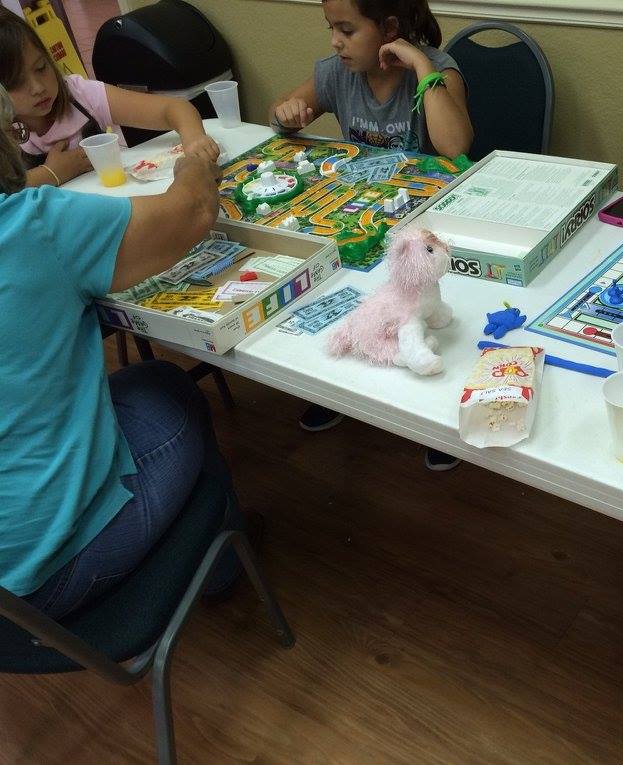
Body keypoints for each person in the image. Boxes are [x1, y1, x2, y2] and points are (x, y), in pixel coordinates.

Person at [0, 83, 241, 619]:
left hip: (8, 589)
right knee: (169, 386)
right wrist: (194, 170)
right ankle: (222, 566)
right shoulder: (29, 226)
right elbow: (195, 212)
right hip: (48, 572)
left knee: (130, 388)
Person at [271, 0, 471, 470]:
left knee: (428, 312)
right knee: (351, 301)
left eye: (347, 29)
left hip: (424, 232)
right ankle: (341, 387)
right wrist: (288, 113)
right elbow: (280, 116)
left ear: (390, 29)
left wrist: (420, 63)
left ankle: (436, 416)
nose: (335, 41)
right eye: (331, 29)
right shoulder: (335, 72)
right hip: (364, 219)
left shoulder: (439, 70)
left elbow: (456, 145)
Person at [0, 7, 219, 189]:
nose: (38, 87)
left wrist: (193, 140)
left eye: (41, 67)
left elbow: (173, 108)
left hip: (121, 207)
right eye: (16, 83)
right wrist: (52, 173)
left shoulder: (80, 96)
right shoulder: (4, 133)